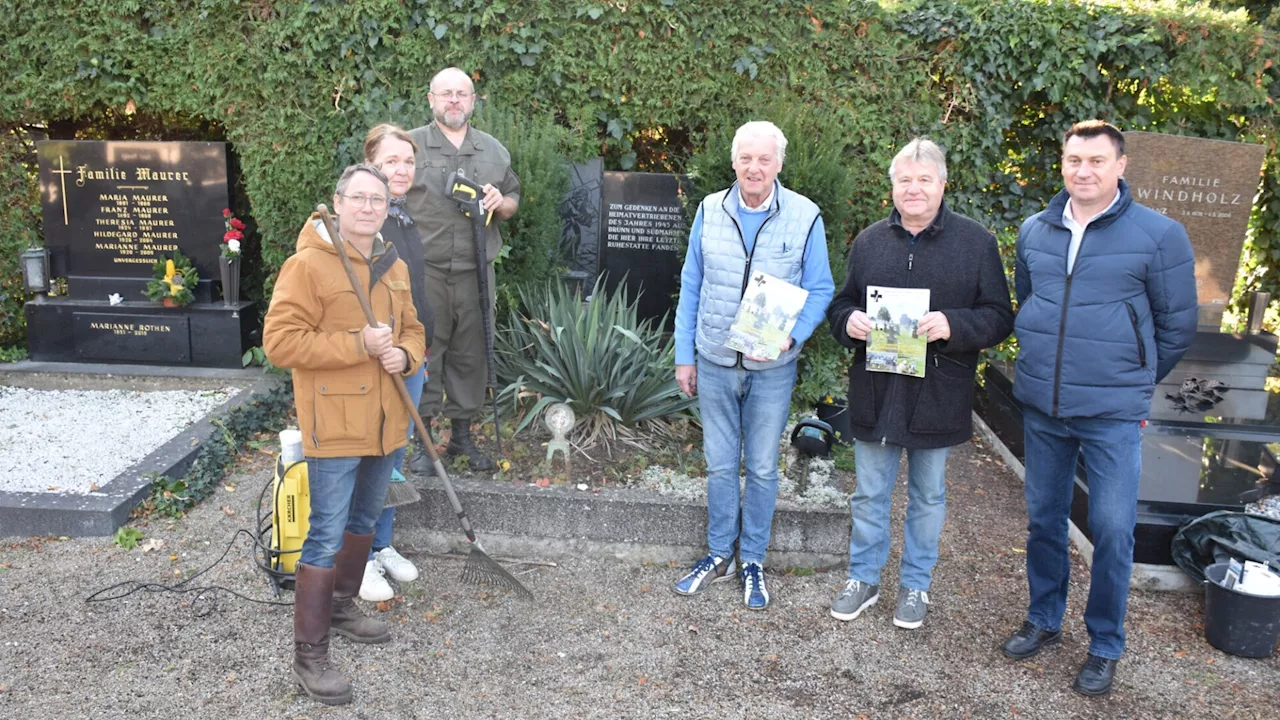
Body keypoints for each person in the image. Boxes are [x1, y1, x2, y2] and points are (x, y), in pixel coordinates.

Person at [1004, 120, 1197, 696]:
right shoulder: (1035, 230)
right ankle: (1044, 618)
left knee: (1113, 529)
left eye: (1095, 161)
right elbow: (1029, 299)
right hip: (1044, 405)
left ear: (1120, 165)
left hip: (1112, 413)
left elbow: (1176, 326)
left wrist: (1131, 382)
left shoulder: (1159, 235)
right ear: (1061, 164)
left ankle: (1105, 643)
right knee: (1044, 519)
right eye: (1072, 160)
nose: (1082, 171)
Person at [826, 138, 1013, 630]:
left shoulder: (976, 244)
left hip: (938, 392)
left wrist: (954, 325)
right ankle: (863, 578)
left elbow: (998, 317)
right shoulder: (869, 243)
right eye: (904, 180)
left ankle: (915, 585)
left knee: (928, 496)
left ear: (942, 185)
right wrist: (849, 323)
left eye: (923, 179)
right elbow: (840, 305)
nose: (913, 189)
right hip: (876, 389)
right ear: (892, 187)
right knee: (869, 493)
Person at [263, 164, 426, 706]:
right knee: (326, 533)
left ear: (386, 207)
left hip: (386, 421)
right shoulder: (307, 265)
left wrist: (405, 354)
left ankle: (339, 605)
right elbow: (282, 343)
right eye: (358, 198)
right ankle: (310, 656)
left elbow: (413, 330)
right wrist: (359, 343)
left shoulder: (392, 263)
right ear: (337, 203)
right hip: (335, 422)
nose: (367, 207)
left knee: (362, 521)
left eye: (377, 200)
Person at [671, 120, 834, 610]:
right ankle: (720, 553)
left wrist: (791, 337)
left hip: (772, 370)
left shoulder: (805, 216)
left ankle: (753, 560)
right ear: (734, 162)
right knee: (721, 466)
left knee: (761, 468)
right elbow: (692, 285)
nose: (754, 168)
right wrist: (684, 355)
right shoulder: (709, 209)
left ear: (779, 163)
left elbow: (821, 288)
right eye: (746, 158)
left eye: (764, 159)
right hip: (716, 361)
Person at [405, 66, 520, 472]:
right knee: (426, 354)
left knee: (471, 356)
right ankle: (423, 443)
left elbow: (513, 198)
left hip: (475, 272)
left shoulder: (493, 151)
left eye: (462, 93)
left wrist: (499, 203)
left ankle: (462, 438)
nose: (454, 100)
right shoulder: (410, 147)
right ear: (431, 99)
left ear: (473, 101)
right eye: (446, 93)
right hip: (425, 272)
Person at [356, 124, 437, 602]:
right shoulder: (364, 222)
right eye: (391, 162)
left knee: (395, 456)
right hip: (375, 364)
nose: (402, 169)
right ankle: (359, 554)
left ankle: (382, 543)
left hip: (410, 359)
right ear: (371, 164)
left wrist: (418, 350)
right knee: (370, 454)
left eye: (408, 161)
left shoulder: (401, 218)